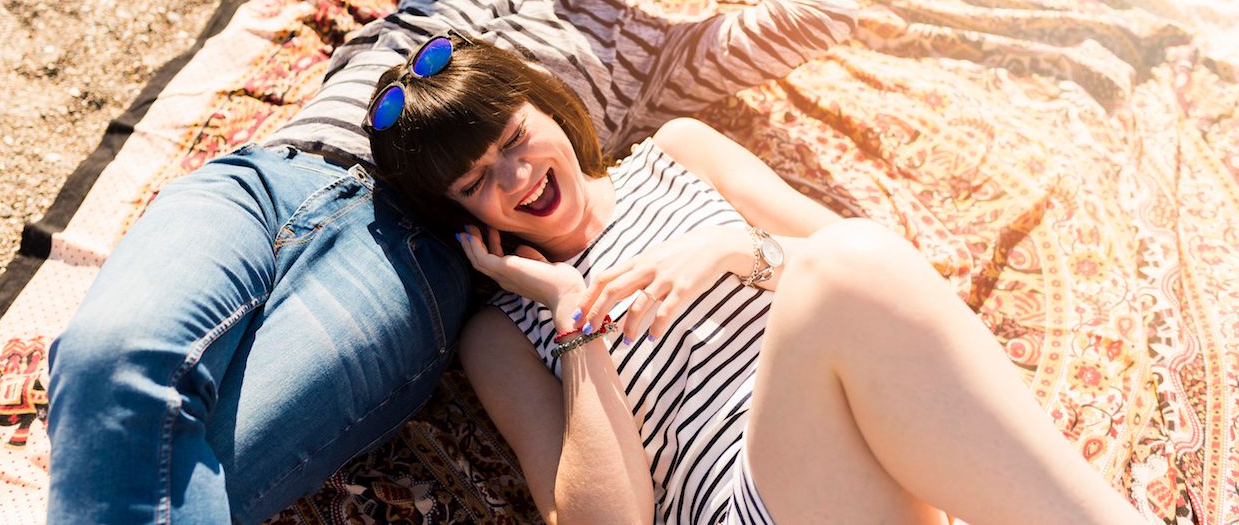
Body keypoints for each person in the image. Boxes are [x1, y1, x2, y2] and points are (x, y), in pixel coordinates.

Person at [46, 0, 859, 522]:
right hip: (270, 177)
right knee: (101, 361)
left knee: (203, 460)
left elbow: (824, 9)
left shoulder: (655, 55)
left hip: (409, 247)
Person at [367, 33, 1147, 525]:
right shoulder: (504, 330)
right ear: (463, 216)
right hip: (747, 507)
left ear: (543, 101)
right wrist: (574, 317)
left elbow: (892, 284)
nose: (516, 176)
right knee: (842, 271)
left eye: (512, 137)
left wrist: (740, 250)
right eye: (476, 182)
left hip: (875, 466)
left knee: (848, 265)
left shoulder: (679, 152)